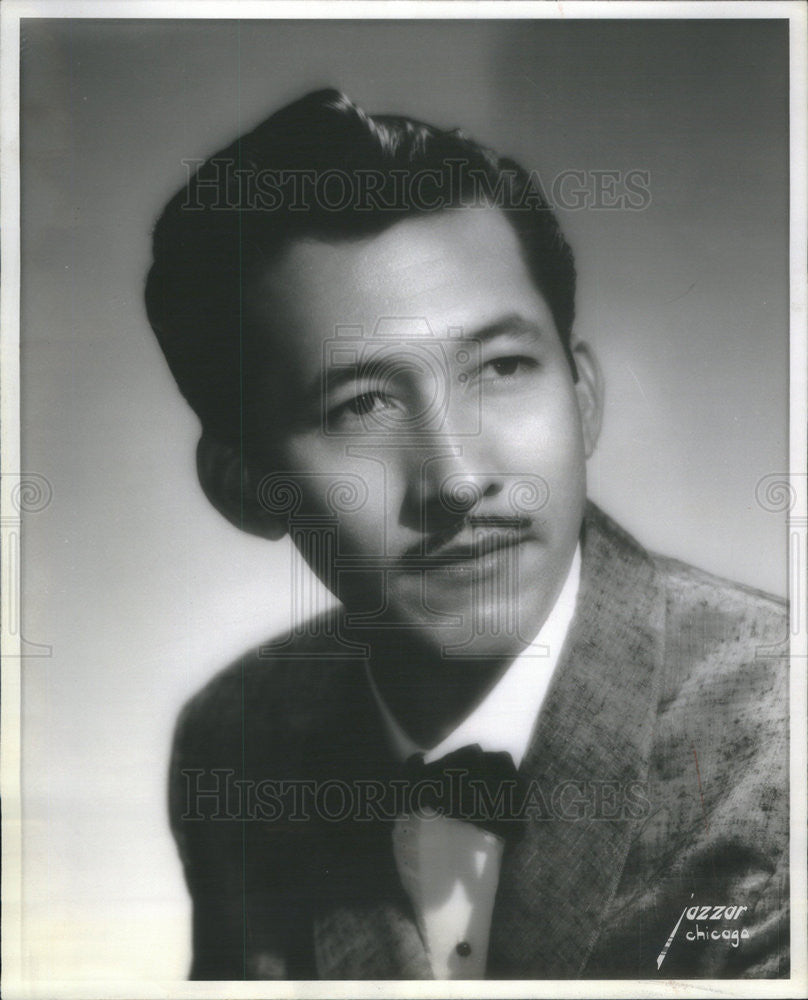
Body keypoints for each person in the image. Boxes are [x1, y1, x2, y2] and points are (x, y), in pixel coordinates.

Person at [145, 89, 789, 980]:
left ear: (583, 397)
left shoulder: (781, 748)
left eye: (501, 367)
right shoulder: (236, 741)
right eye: (361, 403)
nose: (457, 480)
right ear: (244, 488)